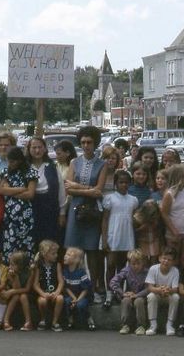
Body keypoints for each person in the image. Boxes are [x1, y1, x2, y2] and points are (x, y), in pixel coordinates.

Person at [64, 126, 106, 304]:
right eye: (83, 142)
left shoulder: (102, 164)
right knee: (73, 250)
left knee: (92, 252)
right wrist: (89, 188)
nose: (86, 145)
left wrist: (79, 188)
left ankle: (95, 287)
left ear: (95, 143)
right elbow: (68, 187)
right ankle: (71, 288)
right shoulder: (74, 162)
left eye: (89, 142)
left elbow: (100, 192)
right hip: (75, 210)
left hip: (92, 212)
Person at [102, 170, 139, 309]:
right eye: (120, 182)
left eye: (126, 182)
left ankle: (119, 292)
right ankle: (109, 293)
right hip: (113, 235)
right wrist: (104, 239)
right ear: (115, 183)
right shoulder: (110, 198)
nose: (123, 185)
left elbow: (134, 219)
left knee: (123, 267)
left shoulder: (133, 200)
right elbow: (105, 219)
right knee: (110, 264)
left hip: (127, 236)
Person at [0, 147, 38, 261]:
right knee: (10, 246)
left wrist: (10, 191)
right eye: (9, 161)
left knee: (26, 247)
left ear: (20, 160)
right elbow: (1, 190)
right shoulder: (6, 172)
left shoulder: (30, 172)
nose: (10, 164)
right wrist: (21, 189)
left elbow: (30, 194)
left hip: (25, 216)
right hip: (10, 217)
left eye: (13, 161)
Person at [27, 137, 67, 246]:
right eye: (34, 147)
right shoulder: (25, 167)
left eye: (40, 147)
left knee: (51, 243)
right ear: (29, 149)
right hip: (31, 210)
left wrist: (62, 213)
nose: (37, 151)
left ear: (45, 149)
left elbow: (61, 191)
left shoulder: (52, 167)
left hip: (50, 211)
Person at [161, 164, 184, 265]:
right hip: (173, 234)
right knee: (174, 259)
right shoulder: (169, 194)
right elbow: (164, 214)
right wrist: (174, 231)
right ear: (180, 177)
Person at [109, 249, 149, 336]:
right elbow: (113, 282)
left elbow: (149, 288)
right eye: (133, 264)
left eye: (138, 264)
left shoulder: (147, 272)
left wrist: (137, 295)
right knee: (125, 301)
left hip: (141, 295)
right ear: (129, 263)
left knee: (139, 302)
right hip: (129, 294)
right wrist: (122, 292)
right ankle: (125, 325)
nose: (136, 266)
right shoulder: (126, 270)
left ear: (143, 263)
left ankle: (141, 326)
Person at [145, 246, 180, 336]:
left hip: (168, 295)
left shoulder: (175, 271)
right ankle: (153, 325)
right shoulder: (153, 269)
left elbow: (175, 289)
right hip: (157, 295)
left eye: (169, 259)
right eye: (164, 258)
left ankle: (169, 325)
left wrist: (168, 290)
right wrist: (158, 290)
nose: (166, 261)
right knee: (151, 296)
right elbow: (149, 287)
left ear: (173, 262)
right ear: (160, 258)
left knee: (176, 297)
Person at [33, 240, 64, 332]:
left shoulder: (57, 265)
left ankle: (55, 322)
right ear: (45, 254)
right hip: (43, 292)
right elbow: (35, 284)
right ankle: (43, 319)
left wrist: (57, 292)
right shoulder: (39, 266)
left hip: (54, 292)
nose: (56, 255)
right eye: (53, 254)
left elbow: (61, 281)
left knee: (60, 298)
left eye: (56, 253)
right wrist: (43, 294)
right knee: (42, 301)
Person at [62, 247, 94, 331]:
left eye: (68, 255)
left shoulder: (81, 272)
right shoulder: (65, 271)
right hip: (72, 295)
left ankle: (88, 317)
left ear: (77, 260)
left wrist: (77, 300)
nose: (65, 256)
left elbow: (85, 289)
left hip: (83, 296)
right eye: (65, 254)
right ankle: (70, 319)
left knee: (80, 305)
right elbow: (66, 287)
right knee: (66, 301)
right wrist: (74, 298)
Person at [2, 250, 34, 331]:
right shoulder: (10, 272)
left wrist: (11, 291)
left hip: (26, 293)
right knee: (16, 296)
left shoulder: (30, 272)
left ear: (21, 265)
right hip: (14, 292)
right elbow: (16, 287)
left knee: (22, 296)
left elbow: (27, 289)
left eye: (12, 265)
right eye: (10, 264)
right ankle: (6, 320)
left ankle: (28, 321)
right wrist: (14, 277)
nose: (10, 267)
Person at [133, 200, 162, 264]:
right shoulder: (137, 217)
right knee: (144, 261)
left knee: (154, 260)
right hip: (143, 240)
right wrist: (142, 227)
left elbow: (160, 229)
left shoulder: (158, 215)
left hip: (154, 239)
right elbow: (134, 232)